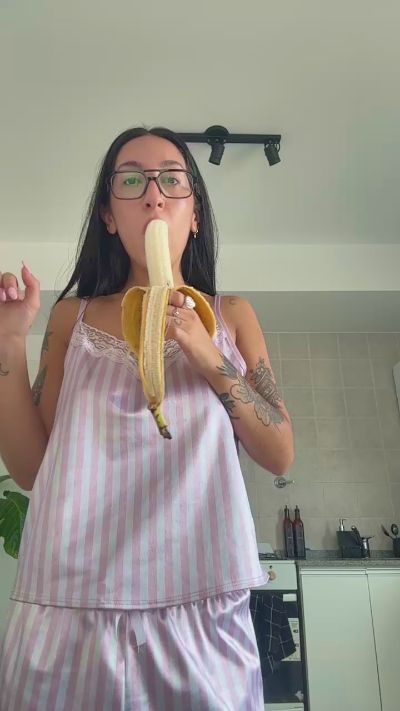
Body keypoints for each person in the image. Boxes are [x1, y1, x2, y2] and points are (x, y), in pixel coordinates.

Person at [0, 126, 294, 710]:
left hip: (202, 598)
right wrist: (9, 342)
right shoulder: (71, 319)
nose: (154, 195)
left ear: (195, 214)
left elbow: (280, 452)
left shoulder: (232, 315)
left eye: (171, 180)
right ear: (109, 216)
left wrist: (206, 354)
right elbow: (32, 468)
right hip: (72, 601)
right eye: (131, 180)